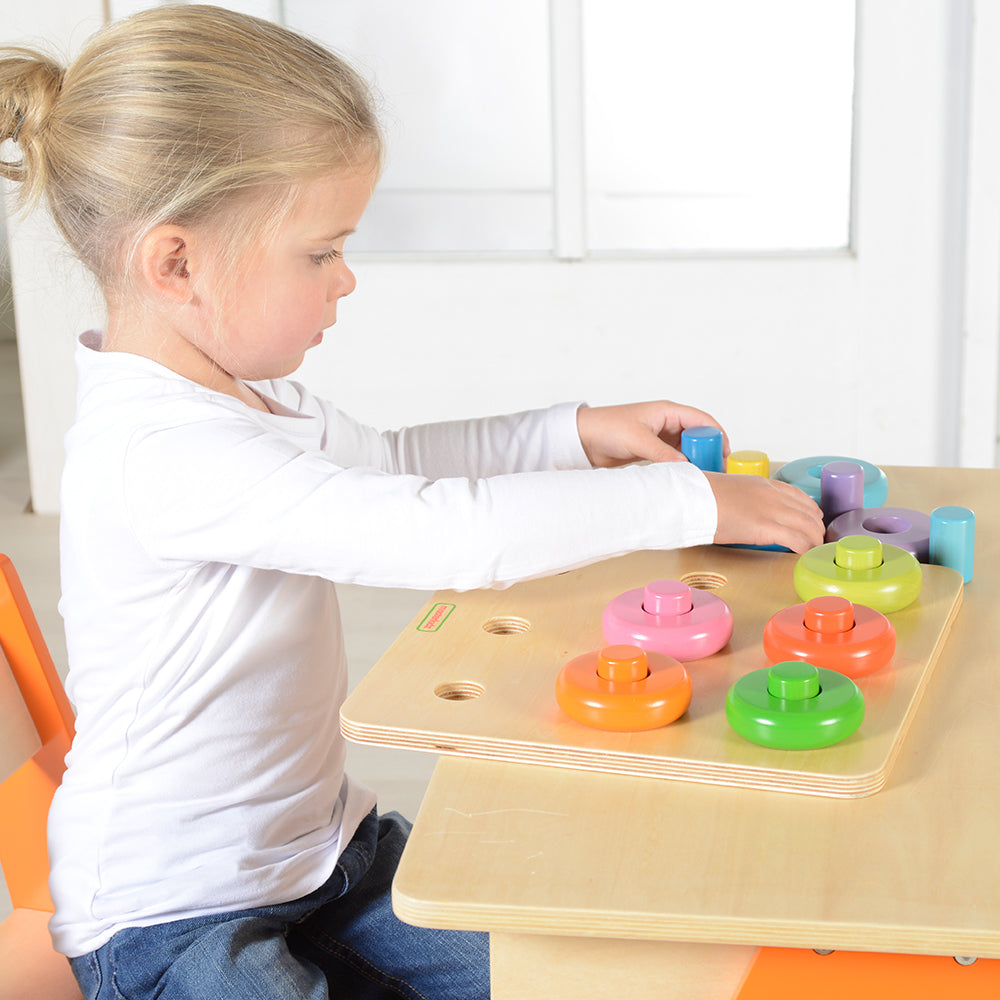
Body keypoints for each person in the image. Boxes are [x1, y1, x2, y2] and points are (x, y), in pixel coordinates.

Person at [0, 6, 824, 999]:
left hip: (327, 857)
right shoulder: (159, 453)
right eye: (320, 251)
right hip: (174, 917)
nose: (346, 279)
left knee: (548, 975)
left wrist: (569, 431)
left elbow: (390, 468)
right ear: (176, 265)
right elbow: (442, 533)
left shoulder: (243, 398)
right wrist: (683, 501)